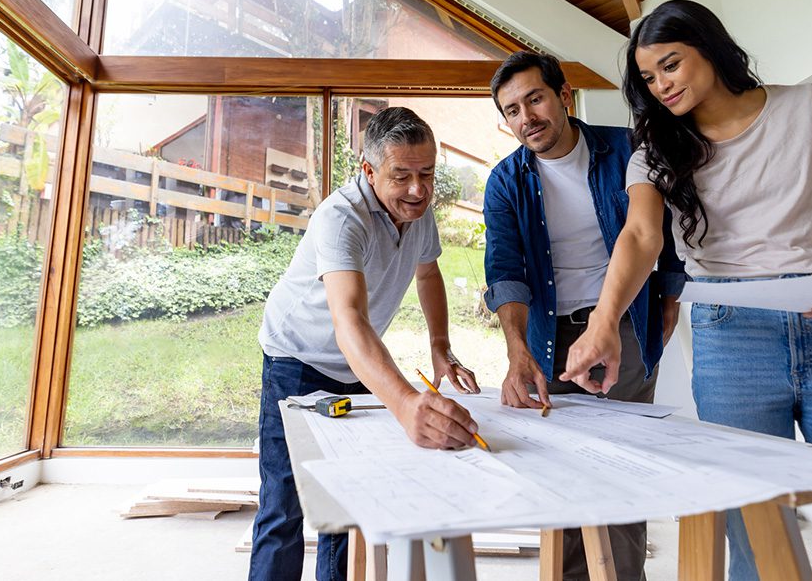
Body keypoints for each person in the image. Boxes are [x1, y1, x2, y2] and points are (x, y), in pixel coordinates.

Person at [562, 0, 812, 581]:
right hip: (731, 338)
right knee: (757, 537)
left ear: (709, 48)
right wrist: (602, 323)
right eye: (648, 78)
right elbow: (640, 235)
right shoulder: (656, 152)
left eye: (671, 65)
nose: (660, 86)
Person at [251, 107, 482, 581]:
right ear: (369, 171)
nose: (418, 190)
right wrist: (404, 406)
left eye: (427, 174)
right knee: (286, 501)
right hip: (296, 356)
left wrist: (440, 344)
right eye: (402, 176)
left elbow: (428, 270)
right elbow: (349, 320)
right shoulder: (340, 218)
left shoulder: (419, 213)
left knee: (346, 497)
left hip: (356, 362)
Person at [481, 51, 685, 581]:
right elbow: (505, 270)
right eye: (512, 110)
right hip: (550, 336)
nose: (526, 117)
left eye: (535, 98)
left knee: (623, 466)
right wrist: (517, 351)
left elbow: (665, 233)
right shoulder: (505, 182)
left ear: (563, 96)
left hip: (626, 326)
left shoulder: (626, 148)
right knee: (559, 471)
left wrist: (667, 300)